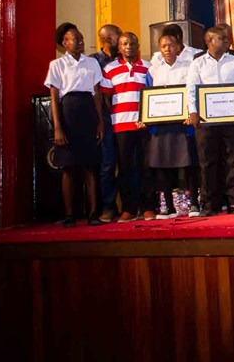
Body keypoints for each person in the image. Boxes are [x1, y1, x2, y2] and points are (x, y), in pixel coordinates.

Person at [186, 26, 234, 215]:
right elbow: (191, 90)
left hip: (232, 119)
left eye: (227, 39)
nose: (227, 41)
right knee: (207, 162)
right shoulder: (198, 64)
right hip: (205, 121)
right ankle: (210, 205)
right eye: (222, 39)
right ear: (209, 41)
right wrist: (192, 111)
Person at [45, 23, 105, 227]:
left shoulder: (92, 63)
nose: (80, 41)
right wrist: (58, 127)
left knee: (90, 166)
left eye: (81, 38)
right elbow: (54, 99)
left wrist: (100, 123)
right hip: (68, 112)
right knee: (68, 168)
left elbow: (97, 94)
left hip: (88, 112)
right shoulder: (57, 65)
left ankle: (93, 214)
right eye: (75, 39)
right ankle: (70, 215)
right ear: (64, 43)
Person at [101, 32, 154, 222]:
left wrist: (147, 117)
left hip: (144, 125)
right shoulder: (110, 69)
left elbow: (153, 96)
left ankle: (147, 207)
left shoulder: (149, 68)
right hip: (121, 126)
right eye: (125, 44)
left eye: (132, 43)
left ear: (138, 45)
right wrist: (115, 117)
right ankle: (129, 208)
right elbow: (106, 98)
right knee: (125, 168)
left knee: (147, 167)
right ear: (120, 47)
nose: (129, 46)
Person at [141, 33, 195, 219]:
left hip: (183, 124)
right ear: (159, 49)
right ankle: (169, 208)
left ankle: (193, 204)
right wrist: (145, 116)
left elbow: (192, 92)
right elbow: (147, 95)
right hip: (161, 125)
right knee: (162, 165)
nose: (167, 49)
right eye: (163, 46)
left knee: (188, 164)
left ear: (179, 47)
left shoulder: (189, 68)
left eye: (171, 45)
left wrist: (190, 113)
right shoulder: (153, 70)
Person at [91, 23, 121, 223]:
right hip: (105, 120)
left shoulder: (126, 58)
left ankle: (129, 206)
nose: (115, 41)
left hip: (126, 118)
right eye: (111, 38)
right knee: (107, 164)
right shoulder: (94, 62)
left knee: (130, 164)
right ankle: (108, 207)